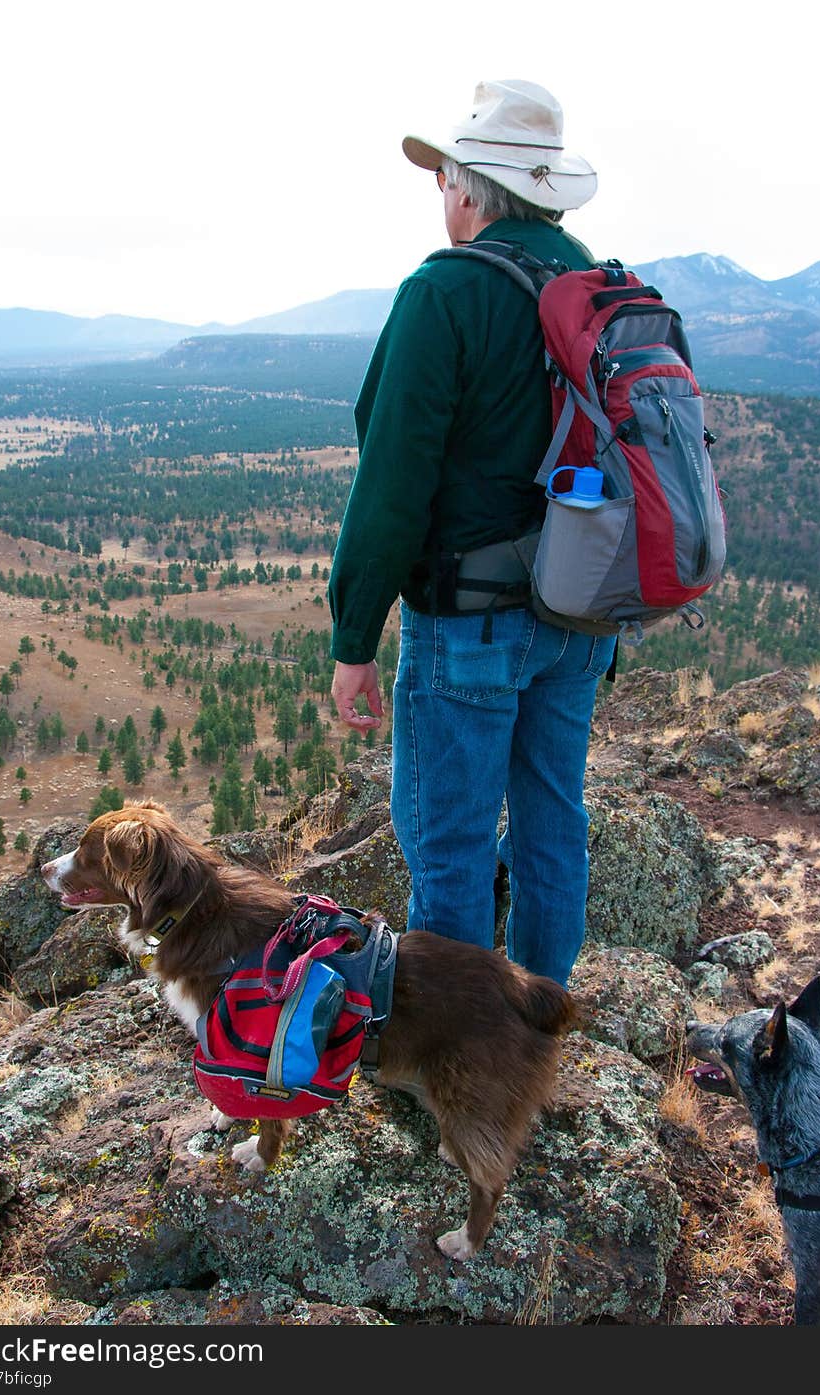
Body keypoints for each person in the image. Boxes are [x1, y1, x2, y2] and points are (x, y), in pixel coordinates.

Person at [327, 80, 615, 988]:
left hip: (470, 621)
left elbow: (391, 481)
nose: (441, 194)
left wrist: (353, 634)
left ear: (470, 188)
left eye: (446, 175)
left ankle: (464, 1059)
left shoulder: (444, 292)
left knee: (449, 845)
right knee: (550, 822)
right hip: (579, 614)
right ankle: (541, 1023)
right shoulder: (593, 285)